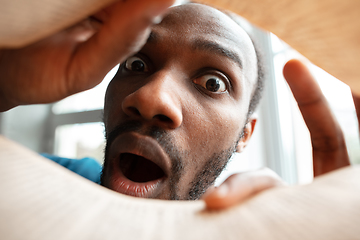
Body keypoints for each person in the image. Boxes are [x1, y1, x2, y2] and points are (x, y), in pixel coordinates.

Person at [0, 1, 354, 208]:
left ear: (245, 134)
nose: (150, 97)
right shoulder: (34, 189)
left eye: (213, 83)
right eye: (137, 64)